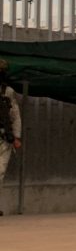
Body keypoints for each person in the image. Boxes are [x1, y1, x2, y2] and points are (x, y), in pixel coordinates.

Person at [0, 60, 21, 201]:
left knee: (0, 171)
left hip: (4, 137)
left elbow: (14, 115)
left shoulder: (7, 91)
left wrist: (16, 136)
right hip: (5, 136)